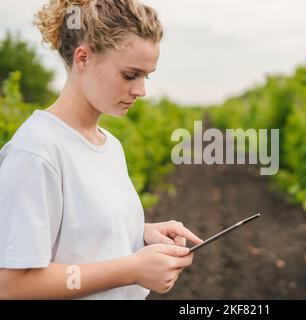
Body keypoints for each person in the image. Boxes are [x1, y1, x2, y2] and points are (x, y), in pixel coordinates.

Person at [0, 0, 203, 300]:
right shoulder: (36, 152)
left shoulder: (109, 146)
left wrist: (140, 233)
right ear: (83, 58)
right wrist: (133, 269)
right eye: (130, 75)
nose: (141, 91)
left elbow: (77, 234)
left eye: (147, 75)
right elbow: (13, 286)